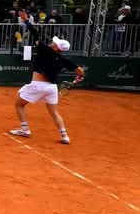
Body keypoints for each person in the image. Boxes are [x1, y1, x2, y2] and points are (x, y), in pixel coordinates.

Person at [10, 11, 85, 144]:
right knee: (54, 113)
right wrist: (79, 77)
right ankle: (64, 135)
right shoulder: (64, 59)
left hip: (37, 85)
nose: (52, 42)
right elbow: (80, 71)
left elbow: (35, 34)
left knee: (19, 105)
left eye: (54, 43)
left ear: (57, 48)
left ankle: (25, 129)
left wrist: (26, 20)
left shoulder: (45, 49)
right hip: (52, 88)